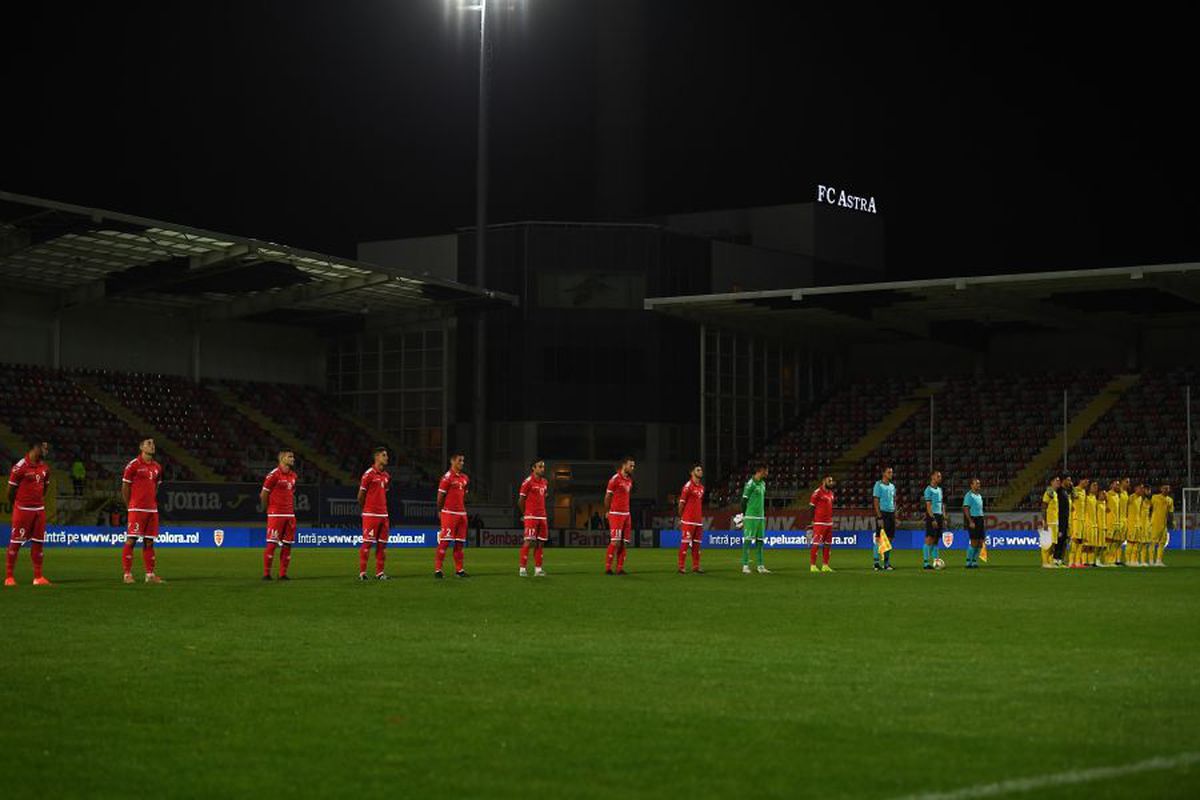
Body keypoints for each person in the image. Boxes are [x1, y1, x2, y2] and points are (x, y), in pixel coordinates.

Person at [5, 440, 52, 586]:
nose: (46, 451)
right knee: (16, 543)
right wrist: (19, 505)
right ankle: (9, 577)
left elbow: (45, 488)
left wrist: (37, 501)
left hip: (39, 510)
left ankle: (38, 577)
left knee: (38, 544)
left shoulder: (45, 467)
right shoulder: (19, 467)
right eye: (44, 448)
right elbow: (10, 491)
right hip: (23, 510)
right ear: (35, 448)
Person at [121, 437, 164, 584]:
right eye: (149, 443)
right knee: (131, 540)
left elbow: (156, 487)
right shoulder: (133, 465)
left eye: (153, 443)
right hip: (136, 509)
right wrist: (130, 505)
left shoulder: (157, 467)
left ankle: (150, 575)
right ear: (141, 447)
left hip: (152, 510)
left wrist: (151, 502)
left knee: (149, 542)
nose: (152, 446)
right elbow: (125, 487)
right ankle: (127, 574)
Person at [261, 450, 298, 580]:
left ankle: (283, 574)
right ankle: (266, 574)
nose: (293, 459)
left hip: (290, 515)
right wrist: (269, 509)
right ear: (282, 458)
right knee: (272, 544)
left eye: (293, 457)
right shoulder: (273, 475)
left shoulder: (294, 475)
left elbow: (291, 493)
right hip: (276, 514)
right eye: (290, 457)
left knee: (287, 544)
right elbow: (264, 494)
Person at [357, 447, 391, 581]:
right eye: (384, 455)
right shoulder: (368, 474)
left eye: (386, 455)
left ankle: (380, 573)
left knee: (382, 545)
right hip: (371, 515)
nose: (386, 458)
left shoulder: (386, 476)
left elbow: (383, 493)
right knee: (367, 544)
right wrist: (366, 510)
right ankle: (362, 573)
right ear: (376, 457)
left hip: (384, 515)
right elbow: (360, 496)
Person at [435, 453, 470, 578]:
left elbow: (464, 495)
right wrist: (440, 511)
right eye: (460, 460)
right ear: (452, 461)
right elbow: (440, 497)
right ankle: (438, 570)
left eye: (463, 460)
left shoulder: (465, 478)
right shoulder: (447, 477)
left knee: (460, 543)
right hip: (449, 513)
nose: (462, 463)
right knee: (445, 542)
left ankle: (459, 570)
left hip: (462, 513)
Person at [603, 457, 636, 575]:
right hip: (616, 514)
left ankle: (620, 568)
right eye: (630, 466)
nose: (632, 468)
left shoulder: (629, 480)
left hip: (627, 514)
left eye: (633, 466)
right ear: (624, 465)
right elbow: (607, 497)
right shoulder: (615, 479)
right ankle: (608, 568)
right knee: (615, 542)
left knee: (624, 542)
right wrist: (607, 511)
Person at [518, 458, 549, 577]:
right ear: (533, 468)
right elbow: (520, 500)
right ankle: (522, 568)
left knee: (540, 543)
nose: (542, 469)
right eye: (540, 466)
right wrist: (525, 514)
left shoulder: (545, 482)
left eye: (543, 467)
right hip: (531, 516)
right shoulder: (528, 482)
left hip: (542, 516)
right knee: (528, 541)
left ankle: (538, 569)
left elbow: (543, 496)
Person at [740, 463, 769, 574]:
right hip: (751, 516)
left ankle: (760, 566)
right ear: (761, 470)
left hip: (761, 517)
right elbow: (743, 501)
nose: (767, 473)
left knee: (760, 542)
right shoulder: (750, 484)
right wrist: (744, 515)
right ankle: (745, 565)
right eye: (766, 471)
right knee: (747, 541)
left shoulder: (763, 483)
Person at [677, 464, 706, 574]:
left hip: (698, 521)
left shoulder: (702, 488)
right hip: (688, 520)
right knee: (685, 543)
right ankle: (681, 566)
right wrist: (681, 518)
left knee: (697, 546)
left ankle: (696, 566)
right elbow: (681, 504)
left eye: (701, 470)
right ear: (692, 472)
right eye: (698, 470)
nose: (700, 472)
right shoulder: (687, 486)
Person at [808, 474, 836, 573]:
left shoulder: (831, 493)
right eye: (829, 480)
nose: (831, 482)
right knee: (816, 543)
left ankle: (825, 565)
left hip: (829, 523)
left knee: (828, 544)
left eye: (832, 481)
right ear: (824, 481)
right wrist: (810, 522)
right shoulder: (817, 493)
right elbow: (811, 507)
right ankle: (813, 565)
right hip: (819, 522)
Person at [872, 466, 897, 571]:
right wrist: (879, 517)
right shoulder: (878, 485)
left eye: (891, 472)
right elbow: (876, 502)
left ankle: (886, 563)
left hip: (891, 514)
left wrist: (895, 515)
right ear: (884, 474)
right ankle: (876, 563)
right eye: (889, 472)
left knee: (889, 539)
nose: (891, 474)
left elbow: (894, 500)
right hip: (882, 514)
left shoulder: (892, 486)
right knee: (879, 538)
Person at [922, 470, 944, 570]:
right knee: (929, 539)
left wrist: (944, 515)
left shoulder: (940, 489)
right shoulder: (928, 490)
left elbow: (941, 503)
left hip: (939, 516)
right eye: (938, 476)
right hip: (933, 516)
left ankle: (936, 561)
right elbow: (928, 506)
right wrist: (932, 518)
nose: (940, 478)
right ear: (932, 477)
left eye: (940, 476)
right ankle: (926, 563)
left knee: (936, 540)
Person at [1148, 483, 1174, 567]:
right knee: (1152, 543)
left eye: (1167, 488)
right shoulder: (1154, 497)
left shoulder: (1170, 500)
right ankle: (1151, 561)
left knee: (1162, 543)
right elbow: (1148, 507)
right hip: (1155, 523)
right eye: (1164, 488)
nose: (1166, 490)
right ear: (1161, 489)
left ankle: (1159, 561)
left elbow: (1170, 512)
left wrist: (1171, 522)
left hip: (1164, 524)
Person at [963, 478, 986, 569]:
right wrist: (970, 521)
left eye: (979, 484)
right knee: (974, 541)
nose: (978, 485)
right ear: (971, 485)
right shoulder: (969, 495)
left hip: (980, 519)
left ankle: (975, 561)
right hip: (973, 519)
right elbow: (966, 509)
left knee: (980, 542)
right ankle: (968, 561)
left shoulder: (979, 495)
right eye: (976, 484)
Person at [1040, 476, 1061, 569]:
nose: (1058, 482)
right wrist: (1044, 521)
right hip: (1049, 522)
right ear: (1051, 482)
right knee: (1047, 543)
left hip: (1055, 522)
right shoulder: (1048, 493)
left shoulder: (1055, 494)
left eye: (1059, 481)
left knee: (1053, 544)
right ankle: (1045, 562)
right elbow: (1044, 507)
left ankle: (1050, 561)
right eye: (1056, 481)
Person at [1125, 482, 1145, 567]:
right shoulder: (1130, 498)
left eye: (1142, 488)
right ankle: (1128, 560)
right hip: (1131, 524)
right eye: (1140, 488)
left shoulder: (1141, 499)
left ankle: (1134, 560)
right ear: (1135, 489)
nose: (1141, 490)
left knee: (1137, 543)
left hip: (1138, 524)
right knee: (1130, 543)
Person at [1054, 477, 1073, 567]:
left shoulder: (1066, 492)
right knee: (1059, 539)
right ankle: (1055, 559)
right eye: (1068, 480)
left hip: (1066, 519)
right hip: (1060, 518)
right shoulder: (1059, 491)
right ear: (1064, 480)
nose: (1070, 482)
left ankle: (1060, 559)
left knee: (1064, 539)